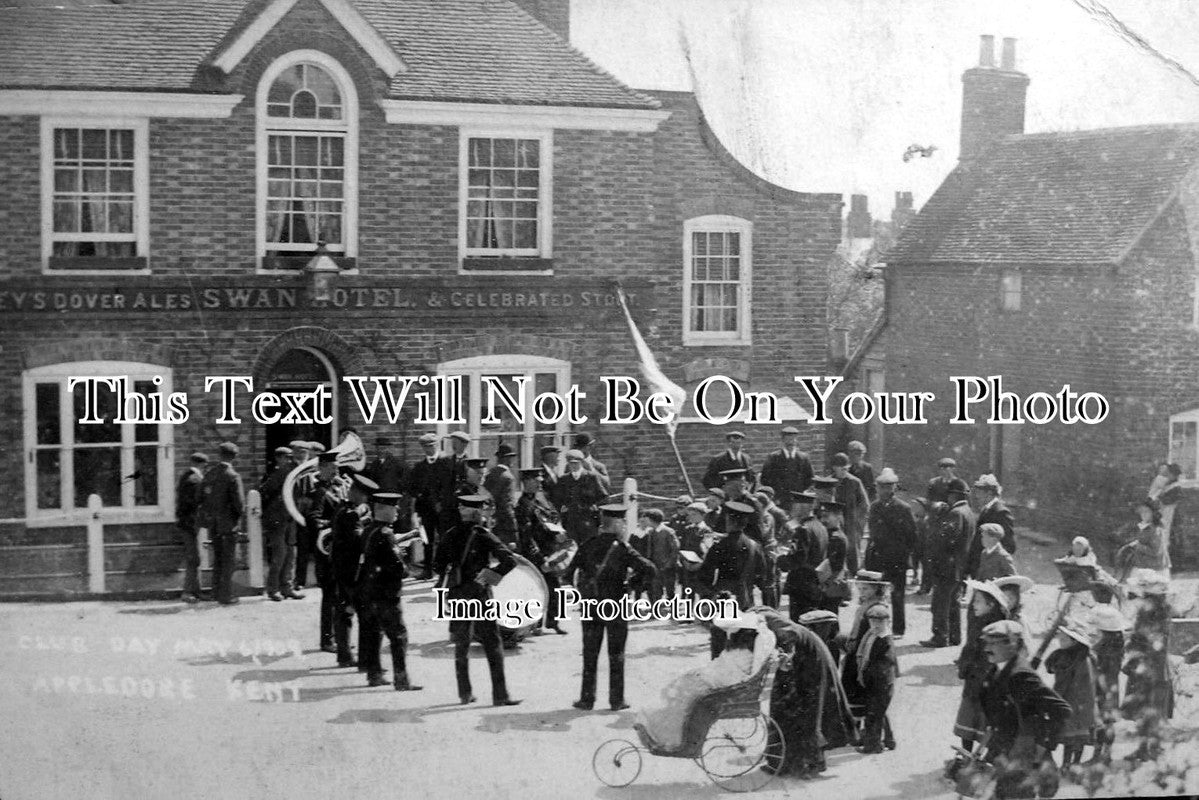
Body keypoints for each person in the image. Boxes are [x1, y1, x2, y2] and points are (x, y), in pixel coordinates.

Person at [636, 612, 775, 750]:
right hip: (723, 674)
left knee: (686, 689)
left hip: (729, 679)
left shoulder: (754, 641)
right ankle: (663, 730)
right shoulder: (740, 640)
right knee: (684, 683)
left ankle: (668, 735)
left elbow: (748, 670)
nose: (728, 630)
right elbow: (723, 663)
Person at [565, 503, 656, 711]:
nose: (624, 527)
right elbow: (650, 569)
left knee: (590, 652)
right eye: (623, 523)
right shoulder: (623, 548)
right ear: (617, 524)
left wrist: (583, 591)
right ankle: (616, 700)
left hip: (591, 605)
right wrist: (632, 585)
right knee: (616, 654)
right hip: (616, 605)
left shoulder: (587, 544)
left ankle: (587, 699)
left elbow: (568, 574)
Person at [435, 493, 521, 706]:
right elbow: (509, 560)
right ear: (478, 513)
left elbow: (437, 565)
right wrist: (488, 577)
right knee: (492, 642)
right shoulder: (483, 535)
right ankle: (500, 695)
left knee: (461, 644)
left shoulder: (450, 534)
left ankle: (465, 693)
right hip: (479, 594)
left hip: (457, 593)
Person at [974, 620, 1072, 800]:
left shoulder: (1020, 675)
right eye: (986, 642)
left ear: (1013, 645)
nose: (987, 648)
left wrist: (1042, 747)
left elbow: (1062, 710)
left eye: (994, 643)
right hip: (1005, 751)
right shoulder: (998, 669)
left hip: (1023, 755)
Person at [759, 606, 857, 777]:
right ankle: (788, 763)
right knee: (802, 719)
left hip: (813, 680)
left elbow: (795, 657)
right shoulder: (799, 633)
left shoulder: (794, 633)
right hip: (809, 676)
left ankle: (810, 765)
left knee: (810, 721)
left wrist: (783, 661)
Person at [356, 491, 422, 691]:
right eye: (394, 507)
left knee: (374, 633)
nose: (397, 511)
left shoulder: (369, 530)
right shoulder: (386, 534)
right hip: (386, 594)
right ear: (383, 510)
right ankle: (401, 679)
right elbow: (399, 569)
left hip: (369, 592)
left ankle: (374, 675)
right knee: (399, 635)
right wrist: (404, 560)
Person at [696, 500, 770, 657]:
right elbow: (763, 577)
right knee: (743, 645)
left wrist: (707, 597)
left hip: (723, 598)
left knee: (720, 643)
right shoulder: (755, 546)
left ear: (729, 521)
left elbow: (704, 576)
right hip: (746, 600)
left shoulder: (719, 546)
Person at [955, 580, 1011, 754]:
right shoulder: (977, 623)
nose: (973, 605)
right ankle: (967, 753)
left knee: (984, 720)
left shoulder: (995, 629)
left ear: (991, 604)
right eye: (973, 601)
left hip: (986, 683)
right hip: (973, 680)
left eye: (978, 601)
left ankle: (984, 756)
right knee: (969, 718)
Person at [329, 473, 377, 668]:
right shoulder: (350, 513)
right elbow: (358, 540)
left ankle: (344, 654)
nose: (365, 500)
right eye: (364, 495)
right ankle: (349, 656)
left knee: (344, 611)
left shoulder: (347, 509)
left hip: (344, 567)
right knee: (350, 612)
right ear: (355, 493)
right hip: (350, 570)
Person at [514, 468, 568, 635]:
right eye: (535, 480)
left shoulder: (542, 498)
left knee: (555, 586)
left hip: (550, 548)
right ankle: (535, 623)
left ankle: (553, 621)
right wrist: (539, 558)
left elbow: (553, 514)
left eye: (540, 480)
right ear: (525, 483)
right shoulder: (522, 505)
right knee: (534, 588)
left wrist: (557, 531)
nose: (539, 483)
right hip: (534, 553)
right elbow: (526, 536)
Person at [863, 467, 917, 637]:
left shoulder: (903, 508)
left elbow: (912, 536)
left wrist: (903, 555)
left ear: (893, 488)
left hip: (896, 560)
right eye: (880, 487)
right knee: (876, 594)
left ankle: (898, 629)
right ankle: (877, 626)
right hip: (877, 558)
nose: (883, 490)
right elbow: (872, 533)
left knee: (897, 595)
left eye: (887, 487)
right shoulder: (875, 507)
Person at [922, 478, 975, 648]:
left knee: (941, 603)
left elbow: (945, 538)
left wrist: (934, 526)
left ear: (953, 495)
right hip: (959, 565)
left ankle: (940, 637)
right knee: (953, 602)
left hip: (947, 565)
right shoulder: (968, 512)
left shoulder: (956, 513)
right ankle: (955, 636)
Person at [1044, 624, 1099, 766]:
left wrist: (1053, 701)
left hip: (1070, 702)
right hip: (1085, 704)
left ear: (1074, 641)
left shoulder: (1066, 659)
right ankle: (1073, 764)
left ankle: (1066, 765)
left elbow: (1061, 683)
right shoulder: (1087, 657)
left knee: (1069, 736)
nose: (1060, 639)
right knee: (1078, 737)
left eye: (1064, 637)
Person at [197, 442, 245, 605]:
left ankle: (216, 592)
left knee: (217, 559)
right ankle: (226, 595)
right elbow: (239, 504)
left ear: (220, 455)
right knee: (228, 561)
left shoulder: (209, 473)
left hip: (213, 525)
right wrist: (238, 516)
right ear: (234, 457)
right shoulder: (232, 476)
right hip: (228, 525)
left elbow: (200, 498)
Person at [851, 604, 898, 754]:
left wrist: (867, 673)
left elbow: (885, 664)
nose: (876, 625)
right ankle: (889, 740)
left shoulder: (885, 640)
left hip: (881, 683)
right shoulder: (872, 635)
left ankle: (873, 746)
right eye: (873, 622)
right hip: (874, 683)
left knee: (873, 715)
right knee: (880, 712)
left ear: (887, 622)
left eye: (880, 622)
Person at [259, 446, 303, 601]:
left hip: (290, 517)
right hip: (277, 519)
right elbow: (264, 492)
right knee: (280, 554)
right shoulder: (276, 473)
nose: (289, 461)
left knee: (290, 553)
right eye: (286, 458)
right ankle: (273, 588)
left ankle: (287, 587)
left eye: (290, 458)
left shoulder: (292, 474)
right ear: (278, 458)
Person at [406, 432, 446, 579]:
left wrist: (442, 502)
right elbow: (411, 488)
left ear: (437, 446)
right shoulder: (419, 467)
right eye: (425, 447)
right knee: (427, 540)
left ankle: (442, 571)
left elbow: (450, 486)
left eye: (431, 446)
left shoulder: (446, 463)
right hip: (426, 510)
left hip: (442, 510)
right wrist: (419, 499)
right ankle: (427, 570)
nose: (429, 450)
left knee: (444, 540)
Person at [175, 452, 209, 603]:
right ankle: (187, 592)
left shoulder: (186, 476)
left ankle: (195, 591)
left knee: (194, 558)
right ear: (202, 464)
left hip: (187, 523)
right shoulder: (194, 480)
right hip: (189, 524)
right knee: (193, 559)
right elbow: (193, 503)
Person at [969, 474, 1016, 578]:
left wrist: (991, 562)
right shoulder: (986, 510)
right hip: (980, 569)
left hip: (991, 573)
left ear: (989, 493)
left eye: (979, 492)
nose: (976, 496)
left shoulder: (1001, 512)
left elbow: (1009, 545)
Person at [830, 453, 869, 575]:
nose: (844, 471)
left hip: (850, 525)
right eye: (841, 469)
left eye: (846, 469)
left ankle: (853, 576)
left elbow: (864, 505)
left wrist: (858, 524)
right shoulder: (828, 482)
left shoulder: (855, 482)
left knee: (852, 553)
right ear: (834, 468)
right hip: (833, 524)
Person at [556, 449, 606, 544]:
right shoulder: (564, 479)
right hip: (570, 521)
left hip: (588, 520)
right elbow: (557, 498)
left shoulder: (591, 477)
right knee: (572, 547)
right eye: (571, 464)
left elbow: (604, 496)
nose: (573, 466)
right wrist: (562, 507)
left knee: (588, 547)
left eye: (576, 463)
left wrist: (595, 506)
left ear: (582, 462)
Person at [1114, 498, 1169, 580]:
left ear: (1153, 513)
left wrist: (1137, 546)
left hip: (1155, 569)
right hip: (1143, 566)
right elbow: (1142, 540)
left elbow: (1156, 551)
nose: (1143, 514)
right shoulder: (1142, 527)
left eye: (1146, 511)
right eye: (1141, 512)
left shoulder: (1156, 530)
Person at [816, 500, 851, 627]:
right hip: (828, 584)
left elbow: (831, 564)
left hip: (830, 585)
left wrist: (819, 582)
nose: (823, 520)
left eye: (827, 516)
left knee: (830, 621)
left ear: (838, 517)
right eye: (822, 516)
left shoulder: (837, 537)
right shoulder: (829, 534)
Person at [759, 426, 814, 497]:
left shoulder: (804, 458)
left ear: (796, 441)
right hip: (779, 498)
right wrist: (775, 491)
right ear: (783, 440)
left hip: (798, 497)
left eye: (793, 439)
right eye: (787, 439)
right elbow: (764, 479)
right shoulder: (773, 457)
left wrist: (801, 489)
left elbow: (810, 477)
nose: (790, 442)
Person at [289, 440, 316, 587]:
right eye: (299, 452)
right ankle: (288, 580)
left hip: (304, 515)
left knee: (304, 549)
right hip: (291, 514)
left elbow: (312, 491)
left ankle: (300, 580)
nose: (302, 455)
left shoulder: (309, 470)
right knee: (290, 549)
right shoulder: (290, 469)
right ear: (293, 453)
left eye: (304, 452)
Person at [484, 443, 519, 547]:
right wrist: (513, 527)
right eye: (511, 458)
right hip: (505, 524)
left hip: (490, 520)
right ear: (506, 459)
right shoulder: (508, 477)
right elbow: (507, 504)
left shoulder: (490, 473)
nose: (513, 461)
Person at [641, 508, 679, 602]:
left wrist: (669, 563)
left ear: (651, 519)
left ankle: (673, 608)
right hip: (656, 565)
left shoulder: (668, 531)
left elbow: (675, 548)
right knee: (656, 587)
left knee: (670, 589)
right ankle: (657, 608)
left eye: (646, 519)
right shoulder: (651, 532)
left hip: (667, 566)